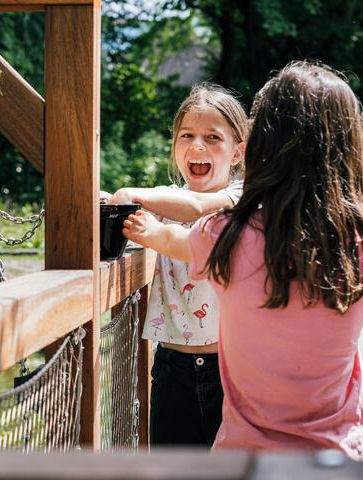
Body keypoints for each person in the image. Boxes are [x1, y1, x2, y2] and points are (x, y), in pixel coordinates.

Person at [122, 61, 363, 460]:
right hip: (340, 454)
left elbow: (177, 239)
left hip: (245, 454)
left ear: (260, 146)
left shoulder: (227, 234)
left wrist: (141, 221)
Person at [106, 83, 248, 446]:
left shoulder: (242, 197)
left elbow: (194, 208)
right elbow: (166, 204)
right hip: (171, 365)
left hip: (233, 370)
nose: (198, 146)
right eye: (187, 135)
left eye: (213, 137)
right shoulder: (164, 202)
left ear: (237, 153)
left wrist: (132, 197)